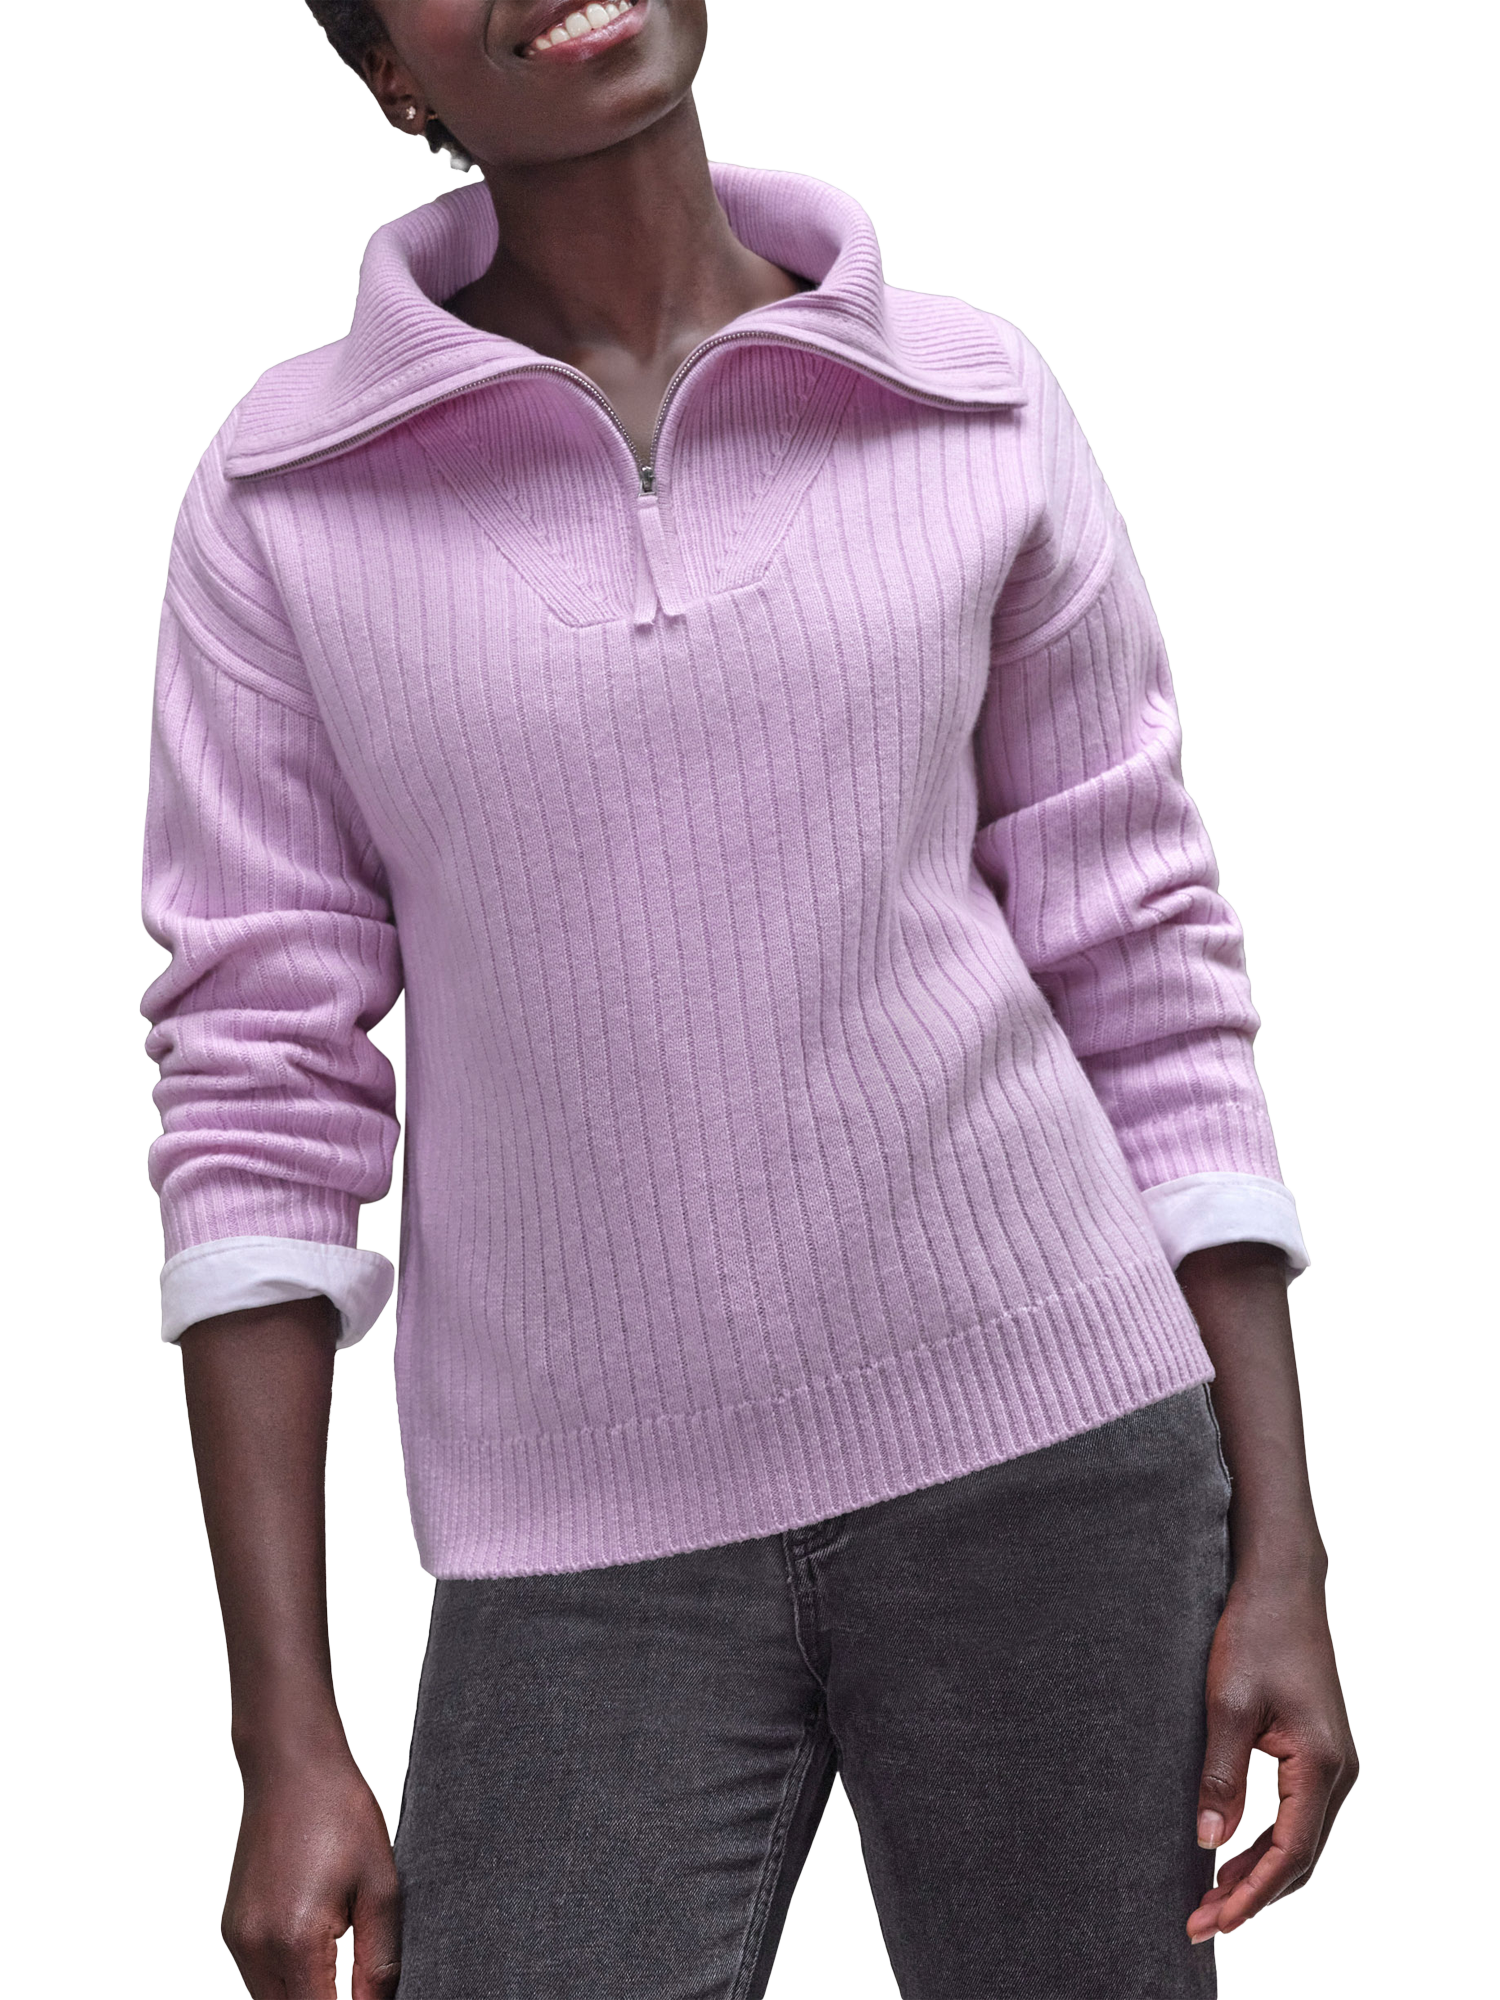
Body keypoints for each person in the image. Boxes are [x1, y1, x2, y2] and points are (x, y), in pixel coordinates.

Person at [139, 2, 1358, 1994]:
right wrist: (286, 1737)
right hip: (578, 1547)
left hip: (1055, 1467)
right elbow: (257, 1082)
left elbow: (1140, 953)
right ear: (388, 74)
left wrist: (1284, 1543)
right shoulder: (288, 497)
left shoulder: (966, 401)